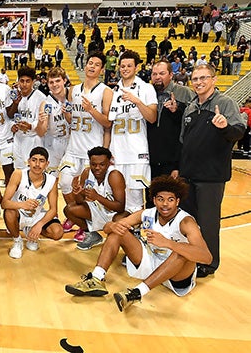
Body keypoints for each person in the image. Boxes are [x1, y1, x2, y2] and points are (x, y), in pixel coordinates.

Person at [64, 176, 213, 313]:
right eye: (160, 199)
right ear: (154, 200)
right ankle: (96, 278)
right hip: (151, 263)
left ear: (177, 202)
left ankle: (136, 293)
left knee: (182, 251)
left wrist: (168, 243)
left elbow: (206, 257)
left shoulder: (186, 222)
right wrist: (112, 226)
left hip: (176, 276)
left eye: (170, 200)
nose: (165, 204)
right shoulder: (147, 213)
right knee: (119, 231)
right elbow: (109, 228)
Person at [179, 64, 245, 277]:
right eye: (195, 79)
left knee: (208, 222)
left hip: (211, 176)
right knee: (189, 220)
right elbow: (184, 139)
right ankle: (191, 257)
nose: (198, 82)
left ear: (214, 79)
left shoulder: (225, 104)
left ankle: (208, 263)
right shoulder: (190, 107)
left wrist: (225, 126)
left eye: (203, 78)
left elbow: (238, 133)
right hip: (188, 174)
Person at [58, 52, 113, 238]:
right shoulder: (73, 90)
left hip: (93, 151)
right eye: (90, 63)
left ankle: (84, 224)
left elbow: (107, 123)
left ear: (101, 69)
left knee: (87, 192)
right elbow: (71, 120)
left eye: (97, 64)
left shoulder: (106, 91)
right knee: (65, 182)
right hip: (73, 147)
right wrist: (67, 114)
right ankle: (73, 214)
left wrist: (91, 110)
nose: (92, 66)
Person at [108, 50, 157, 214]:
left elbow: (152, 117)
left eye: (129, 66)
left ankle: (135, 233)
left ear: (136, 67)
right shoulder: (113, 91)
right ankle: (122, 233)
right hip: (117, 151)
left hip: (137, 152)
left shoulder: (146, 88)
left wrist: (137, 101)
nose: (125, 69)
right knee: (117, 196)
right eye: (122, 66)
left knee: (135, 197)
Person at [146, 60, 195, 207]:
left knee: (172, 203)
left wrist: (178, 109)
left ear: (171, 74)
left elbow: (192, 123)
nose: (157, 77)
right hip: (150, 160)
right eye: (154, 74)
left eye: (162, 73)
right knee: (151, 201)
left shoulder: (184, 92)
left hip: (173, 160)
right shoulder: (147, 93)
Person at [2, 147, 63, 259]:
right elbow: (4, 203)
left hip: (36, 215)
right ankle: (17, 240)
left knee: (57, 232)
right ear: (28, 161)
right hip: (18, 214)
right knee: (9, 212)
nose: (37, 164)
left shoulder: (52, 180)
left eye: (41, 161)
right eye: (34, 160)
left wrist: (39, 225)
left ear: (47, 164)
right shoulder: (19, 174)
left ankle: (31, 232)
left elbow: (53, 209)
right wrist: (22, 205)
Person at [63, 146, 127, 250]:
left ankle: (127, 245)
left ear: (109, 163)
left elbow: (120, 207)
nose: (97, 168)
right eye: (94, 164)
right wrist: (78, 193)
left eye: (102, 164)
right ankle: (92, 235)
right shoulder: (87, 173)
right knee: (69, 209)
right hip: (97, 209)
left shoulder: (114, 175)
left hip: (115, 213)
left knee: (120, 220)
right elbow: (80, 202)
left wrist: (97, 197)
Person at [6, 66, 47, 170]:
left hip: (33, 138)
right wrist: (12, 126)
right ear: (18, 81)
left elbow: (42, 119)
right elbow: (9, 116)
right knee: (19, 170)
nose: (24, 84)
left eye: (27, 81)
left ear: (33, 82)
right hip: (18, 138)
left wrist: (30, 126)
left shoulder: (41, 97)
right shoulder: (14, 95)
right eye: (22, 81)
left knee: (33, 170)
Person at [40, 67, 71, 175]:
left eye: (58, 81)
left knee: (69, 182)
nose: (54, 85)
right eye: (51, 82)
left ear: (64, 81)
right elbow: (41, 132)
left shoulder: (73, 96)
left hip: (72, 143)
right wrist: (41, 121)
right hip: (52, 143)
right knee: (51, 180)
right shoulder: (45, 103)